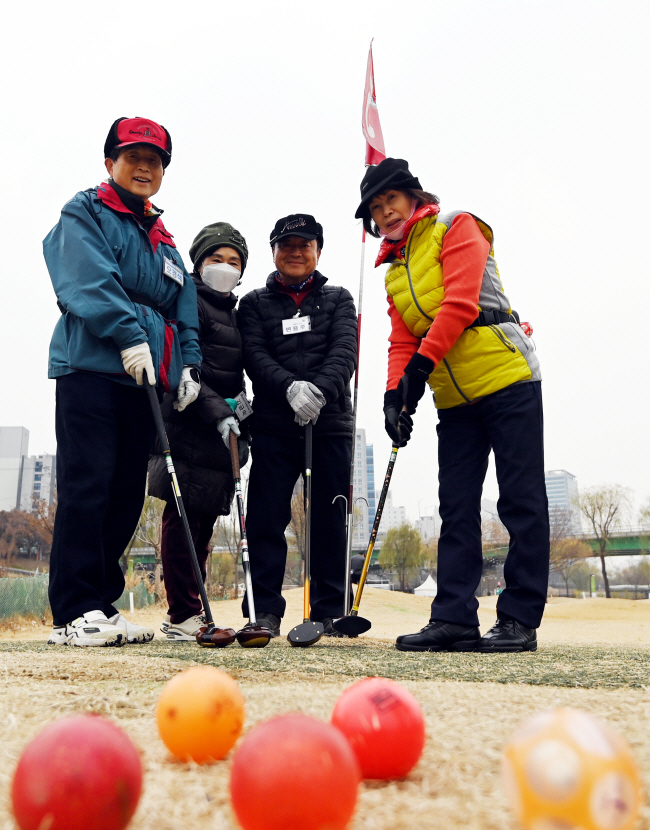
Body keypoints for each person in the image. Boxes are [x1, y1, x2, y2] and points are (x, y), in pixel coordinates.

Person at [355, 158, 549, 653]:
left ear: (413, 197)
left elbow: (460, 304)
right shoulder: (394, 269)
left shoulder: (456, 226)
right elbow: (402, 338)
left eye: (390, 200)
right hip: (455, 399)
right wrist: (394, 395)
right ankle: (454, 618)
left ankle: (519, 620)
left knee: (520, 502)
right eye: (376, 209)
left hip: (508, 379)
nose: (385, 213)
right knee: (456, 508)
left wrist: (419, 371)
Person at [44, 117, 201, 647]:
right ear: (110, 162)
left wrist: (188, 368)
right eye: (133, 156)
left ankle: (101, 605)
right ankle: (73, 610)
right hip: (91, 368)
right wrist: (128, 334)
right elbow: (87, 279)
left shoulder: (165, 241)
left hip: (144, 380)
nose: (143, 167)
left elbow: (184, 313)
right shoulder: (85, 210)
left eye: (154, 160)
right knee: (87, 486)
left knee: (124, 494)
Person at [237, 214, 357, 637]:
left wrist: (318, 392)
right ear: (273, 252)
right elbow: (254, 354)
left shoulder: (339, 298)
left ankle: (330, 610)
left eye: (305, 245)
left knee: (329, 520)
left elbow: (345, 351)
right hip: (274, 424)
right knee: (266, 520)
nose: (295, 252)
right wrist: (290, 389)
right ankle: (263, 610)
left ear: (318, 251)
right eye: (286, 245)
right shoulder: (253, 303)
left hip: (330, 425)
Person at [148, 222, 251, 641]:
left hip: (218, 436)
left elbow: (233, 377)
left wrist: (241, 411)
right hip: (187, 424)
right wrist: (216, 410)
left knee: (202, 528)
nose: (224, 267)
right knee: (182, 523)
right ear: (199, 262)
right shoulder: (186, 298)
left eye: (233, 261)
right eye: (216, 259)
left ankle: (196, 614)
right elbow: (183, 365)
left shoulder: (233, 310)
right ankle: (183, 615)